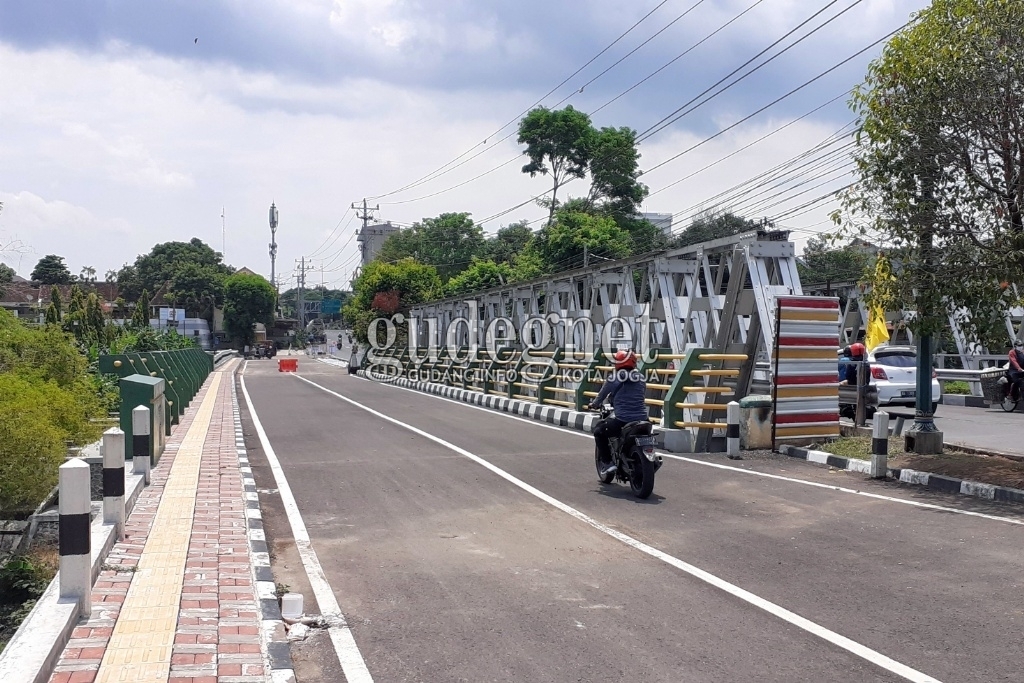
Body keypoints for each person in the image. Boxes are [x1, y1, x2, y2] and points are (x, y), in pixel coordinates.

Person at [588, 350, 649, 478]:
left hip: (623, 419)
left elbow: (601, 396)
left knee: (599, 431)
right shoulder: (641, 377)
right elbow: (642, 394)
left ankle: (607, 463)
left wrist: (594, 404)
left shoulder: (614, 378)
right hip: (643, 419)